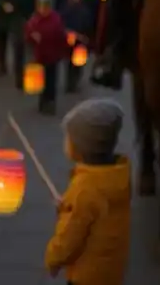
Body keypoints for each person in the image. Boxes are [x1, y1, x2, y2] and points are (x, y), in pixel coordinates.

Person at [45, 98, 130, 285]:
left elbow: (70, 237)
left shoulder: (84, 188)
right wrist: (67, 207)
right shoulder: (119, 174)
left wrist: (53, 257)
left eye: (68, 138)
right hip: (110, 270)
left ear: (80, 148)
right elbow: (95, 214)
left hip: (86, 275)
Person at [5, 0, 42, 89]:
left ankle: (33, 77)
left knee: (32, 48)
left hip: (32, 13)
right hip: (17, 13)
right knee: (18, 46)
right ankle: (20, 78)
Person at [24, 0, 67, 115]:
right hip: (40, 56)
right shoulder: (34, 20)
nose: (43, 10)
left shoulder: (55, 20)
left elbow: (60, 35)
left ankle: (51, 101)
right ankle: (43, 101)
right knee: (42, 80)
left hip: (52, 56)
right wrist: (32, 36)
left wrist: (61, 50)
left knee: (51, 80)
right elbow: (28, 33)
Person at [61, 0, 94, 93]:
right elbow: (62, 23)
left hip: (81, 40)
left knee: (79, 62)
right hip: (70, 39)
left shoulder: (84, 9)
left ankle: (75, 79)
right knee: (69, 62)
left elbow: (88, 24)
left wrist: (85, 37)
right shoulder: (65, 8)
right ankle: (70, 82)